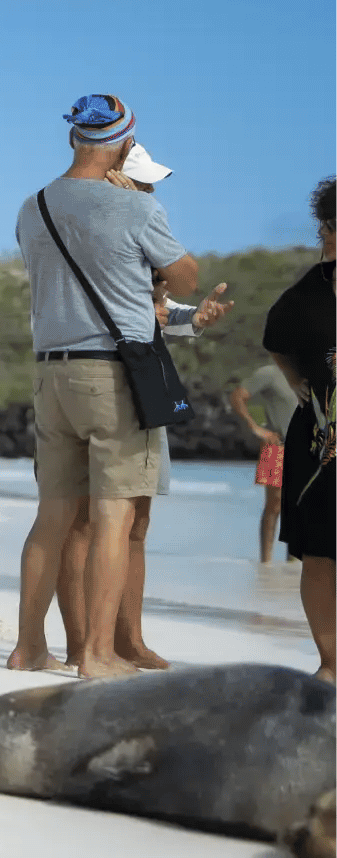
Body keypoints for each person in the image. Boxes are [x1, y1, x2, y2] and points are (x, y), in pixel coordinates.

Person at [4, 95, 204, 681]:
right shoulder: (134, 206)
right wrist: (139, 202)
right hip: (111, 372)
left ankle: (28, 647)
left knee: (52, 516)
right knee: (115, 516)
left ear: (73, 137)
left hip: (51, 370)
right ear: (125, 142)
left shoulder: (32, 206)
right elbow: (184, 276)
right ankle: (96, 653)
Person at [49, 142, 232, 670]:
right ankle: (95, 643)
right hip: (117, 374)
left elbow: (148, 306)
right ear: (113, 176)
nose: (151, 189)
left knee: (124, 519)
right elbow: (140, 299)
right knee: (103, 519)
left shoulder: (99, 220)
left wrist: (190, 319)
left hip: (99, 367)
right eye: (142, 180)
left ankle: (116, 638)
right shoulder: (122, 220)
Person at [260, 175, 337, 684]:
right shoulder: (309, 290)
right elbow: (276, 342)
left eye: (330, 227)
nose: (324, 236)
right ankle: (331, 665)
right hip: (319, 441)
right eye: (324, 227)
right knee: (320, 551)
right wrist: (297, 383)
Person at [230, 360, 301, 562]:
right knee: (275, 505)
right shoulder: (270, 373)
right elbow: (237, 396)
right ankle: (266, 564)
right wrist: (255, 428)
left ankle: (293, 566)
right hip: (275, 446)